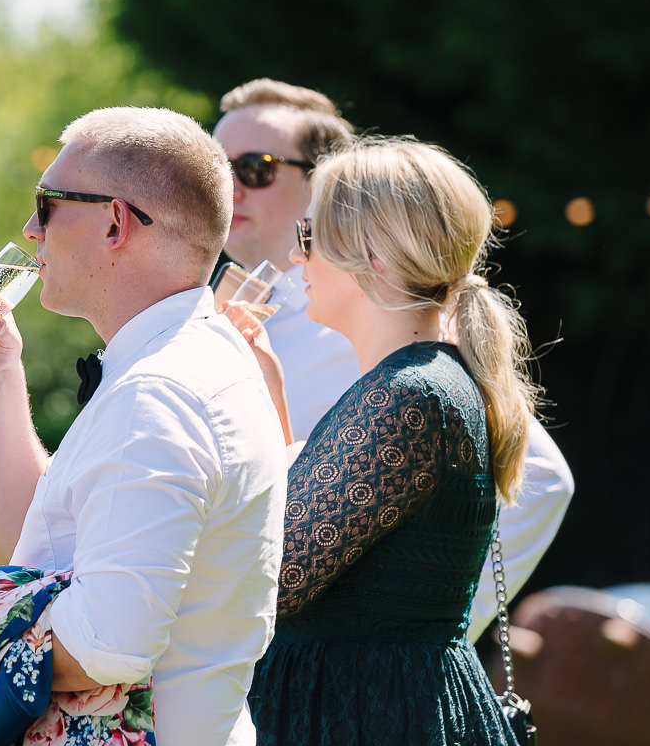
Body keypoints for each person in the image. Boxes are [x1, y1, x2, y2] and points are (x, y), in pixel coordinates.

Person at [0, 107, 287, 746]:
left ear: (114, 222)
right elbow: (29, 549)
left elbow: (110, 642)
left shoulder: (158, 393)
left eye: (46, 206)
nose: (29, 229)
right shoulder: (183, 363)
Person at [213, 78, 573, 641]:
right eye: (216, 168)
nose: (228, 188)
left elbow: (542, 480)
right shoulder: (244, 316)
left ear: (325, 188)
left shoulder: (391, 334)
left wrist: (422, 638)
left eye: (254, 169)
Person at [247, 135, 537, 746]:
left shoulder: (408, 395)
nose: (299, 260)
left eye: (308, 234)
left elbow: (268, 576)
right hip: (381, 720)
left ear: (371, 257)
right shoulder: (419, 382)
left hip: (372, 734)